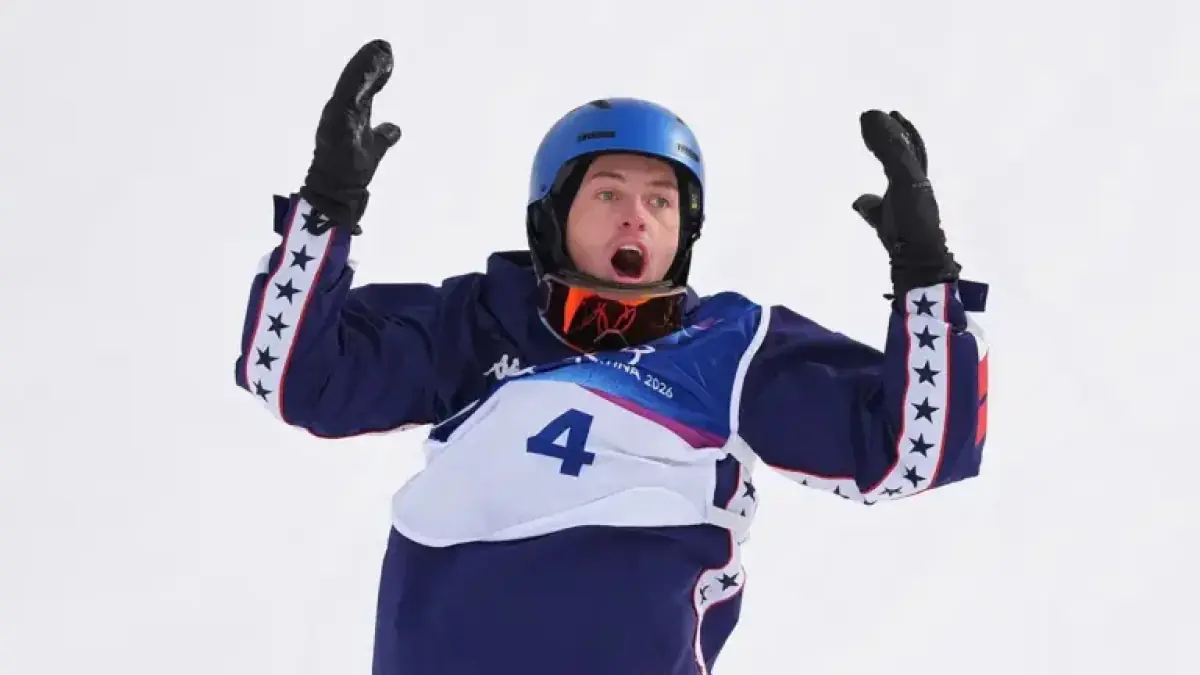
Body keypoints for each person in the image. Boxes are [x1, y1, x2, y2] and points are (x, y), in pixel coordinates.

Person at [234, 40, 991, 675]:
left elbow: (916, 451)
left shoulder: (731, 348)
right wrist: (326, 208)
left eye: (662, 200)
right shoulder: (476, 323)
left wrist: (925, 278)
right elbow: (294, 376)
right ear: (551, 217)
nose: (637, 215)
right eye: (607, 193)